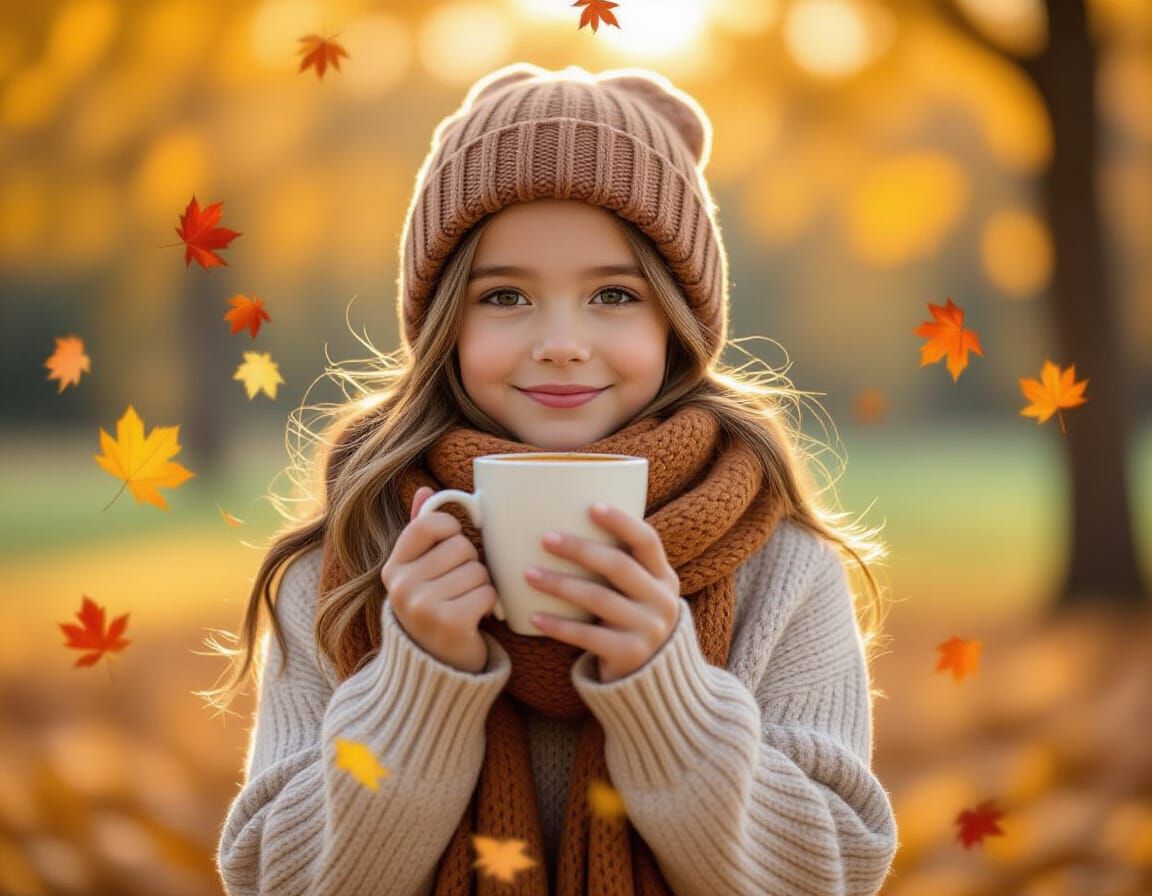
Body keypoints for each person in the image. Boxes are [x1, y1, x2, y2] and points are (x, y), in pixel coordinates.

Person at [206, 62, 900, 896]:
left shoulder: (782, 572)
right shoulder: (350, 562)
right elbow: (273, 879)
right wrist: (418, 681)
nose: (562, 341)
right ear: (442, 324)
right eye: (505, 297)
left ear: (679, 322)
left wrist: (666, 693)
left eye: (613, 294)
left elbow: (831, 875)